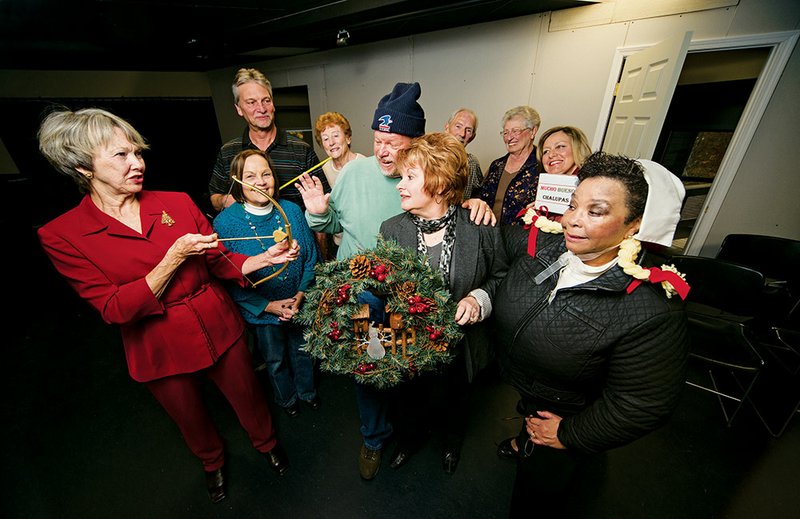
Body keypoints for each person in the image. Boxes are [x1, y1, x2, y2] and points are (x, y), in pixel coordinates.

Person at [36, 108, 299, 504]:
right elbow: (114, 308)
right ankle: (212, 462)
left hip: (217, 322)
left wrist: (264, 259)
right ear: (82, 167)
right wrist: (172, 258)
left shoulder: (175, 202)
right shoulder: (63, 235)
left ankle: (266, 442)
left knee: (248, 394)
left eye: (137, 153)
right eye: (120, 156)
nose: (137, 163)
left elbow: (217, 258)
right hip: (156, 342)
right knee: (187, 415)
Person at [296, 81, 495, 481]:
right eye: (378, 140)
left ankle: (436, 438)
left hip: (435, 323)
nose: (384, 151)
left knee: (434, 389)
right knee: (375, 376)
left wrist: (471, 203)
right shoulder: (357, 177)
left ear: (417, 147)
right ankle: (377, 440)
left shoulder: (453, 207)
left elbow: (475, 246)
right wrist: (318, 213)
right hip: (369, 301)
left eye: (394, 143)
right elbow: (334, 222)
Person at [492, 152, 690, 517]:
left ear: (635, 225)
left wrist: (569, 434)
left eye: (595, 211)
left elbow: (642, 403)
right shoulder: (552, 246)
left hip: (567, 413)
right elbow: (499, 241)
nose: (571, 221)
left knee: (537, 500)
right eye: (572, 205)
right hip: (531, 389)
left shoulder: (651, 309)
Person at [379, 132, 507, 475]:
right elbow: (383, 289)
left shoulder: (480, 227)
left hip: (460, 343)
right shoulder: (391, 230)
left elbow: (501, 276)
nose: (399, 185)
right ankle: (409, 440)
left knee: (456, 398)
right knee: (408, 399)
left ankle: (452, 444)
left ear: (438, 183)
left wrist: (479, 298)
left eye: (409, 177)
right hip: (409, 342)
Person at [213, 149, 320, 419]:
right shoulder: (225, 223)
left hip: (299, 303)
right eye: (250, 176)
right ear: (237, 182)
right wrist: (267, 306)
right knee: (275, 361)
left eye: (266, 174)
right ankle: (287, 399)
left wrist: (301, 294)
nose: (260, 181)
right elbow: (227, 277)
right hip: (263, 312)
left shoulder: (293, 211)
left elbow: (310, 257)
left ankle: (306, 393)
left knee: (303, 352)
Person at [208, 68, 328, 213]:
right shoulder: (228, 152)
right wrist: (230, 200)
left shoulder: (302, 150)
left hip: (296, 233)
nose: (261, 109)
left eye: (266, 100)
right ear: (239, 109)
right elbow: (215, 199)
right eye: (251, 102)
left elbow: (323, 201)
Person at [313, 111, 366, 257]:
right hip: (338, 243)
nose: (331, 142)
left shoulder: (364, 164)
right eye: (325, 139)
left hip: (365, 242)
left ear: (348, 138)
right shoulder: (322, 171)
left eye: (336, 135)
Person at [478, 105, 541, 225]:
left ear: (533, 131)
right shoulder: (496, 166)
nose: (509, 138)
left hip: (521, 240)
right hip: (489, 236)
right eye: (505, 132)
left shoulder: (542, 166)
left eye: (515, 131)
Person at [444, 108, 483, 199]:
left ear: (472, 137)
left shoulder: (472, 163)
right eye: (458, 126)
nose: (462, 134)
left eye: (468, 130)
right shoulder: (429, 156)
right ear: (447, 128)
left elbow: (480, 196)